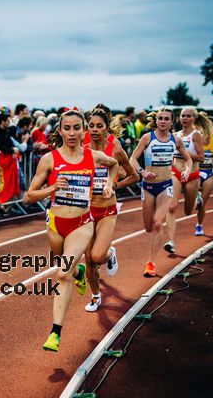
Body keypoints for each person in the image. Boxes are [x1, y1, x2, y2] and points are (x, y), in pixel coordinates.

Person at [23, 108, 118, 352]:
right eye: (67, 128)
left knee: (62, 274)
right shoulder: (50, 159)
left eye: (77, 128)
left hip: (81, 224)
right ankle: (79, 274)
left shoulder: (93, 156)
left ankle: (55, 333)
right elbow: (29, 196)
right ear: (60, 131)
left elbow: (115, 164)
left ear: (83, 130)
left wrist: (109, 184)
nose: (72, 133)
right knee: (67, 268)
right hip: (55, 224)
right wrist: (52, 188)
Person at [83, 108, 139, 312]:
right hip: (86, 211)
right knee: (88, 258)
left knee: (98, 256)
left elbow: (134, 177)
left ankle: (110, 253)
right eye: (91, 126)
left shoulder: (114, 149)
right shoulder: (82, 148)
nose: (95, 129)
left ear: (107, 128)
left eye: (99, 126)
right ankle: (96, 297)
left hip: (107, 210)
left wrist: (114, 185)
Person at [129, 108, 192, 277]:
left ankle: (151, 263)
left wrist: (187, 170)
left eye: (166, 119)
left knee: (158, 223)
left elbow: (188, 158)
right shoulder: (147, 138)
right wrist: (142, 172)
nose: (163, 121)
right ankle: (156, 237)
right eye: (160, 118)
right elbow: (132, 158)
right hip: (148, 187)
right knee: (148, 226)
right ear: (156, 121)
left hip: (166, 185)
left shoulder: (175, 140)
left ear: (172, 122)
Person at [164, 107, 204, 254]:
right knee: (172, 206)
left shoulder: (196, 135)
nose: (185, 118)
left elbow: (201, 157)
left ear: (194, 118)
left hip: (192, 175)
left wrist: (184, 152)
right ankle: (171, 242)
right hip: (175, 173)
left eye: (188, 116)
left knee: (188, 211)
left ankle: (197, 199)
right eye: (183, 116)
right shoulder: (175, 135)